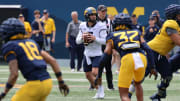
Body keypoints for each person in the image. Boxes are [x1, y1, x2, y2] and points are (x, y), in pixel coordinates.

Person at [0, 18, 69, 101]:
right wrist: (61, 82)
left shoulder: (10, 46)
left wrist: (4, 93)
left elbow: (14, 74)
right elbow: (52, 61)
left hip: (35, 84)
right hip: (47, 82)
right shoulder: (31, 42)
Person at [95, 13, 155, 101]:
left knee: (124, 95)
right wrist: (152, 67)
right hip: (142, 57)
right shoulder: (136, 32)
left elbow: (105, 57)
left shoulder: (112, 36)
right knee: (137, 84)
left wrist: (99, 75)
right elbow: (148, 49)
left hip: (127, 59)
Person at [148, 4, 180, 101]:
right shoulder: (171, 24)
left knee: (167, 73)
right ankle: (159, 94)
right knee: (168, 71)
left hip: (159, 53)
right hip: (153, 52)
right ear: (174, 16)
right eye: (179, 14)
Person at [76, 7, 107, 99]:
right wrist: (82, 37)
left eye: (94, 14)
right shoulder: (82, 25)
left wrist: (95, 38)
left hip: (97, 53)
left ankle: (101, 89)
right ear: (87, 16)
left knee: (95, 72)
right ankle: (99, 90)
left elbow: (105, 41)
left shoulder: (101, 25)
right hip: (87, 54)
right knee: (88, 75)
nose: (94, 16)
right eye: (92, 15)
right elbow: (77, 41)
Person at [97, 4, 114, 90]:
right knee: (97, 66)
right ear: (98, 12)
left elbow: (112, 33)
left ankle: (110, 86)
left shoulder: (109, 21)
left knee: (108, 67)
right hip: (97, 46)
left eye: (105, 11)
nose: (104, 13)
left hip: (107, 46)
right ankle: (94, 85)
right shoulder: (94, 21)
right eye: (102, 11)